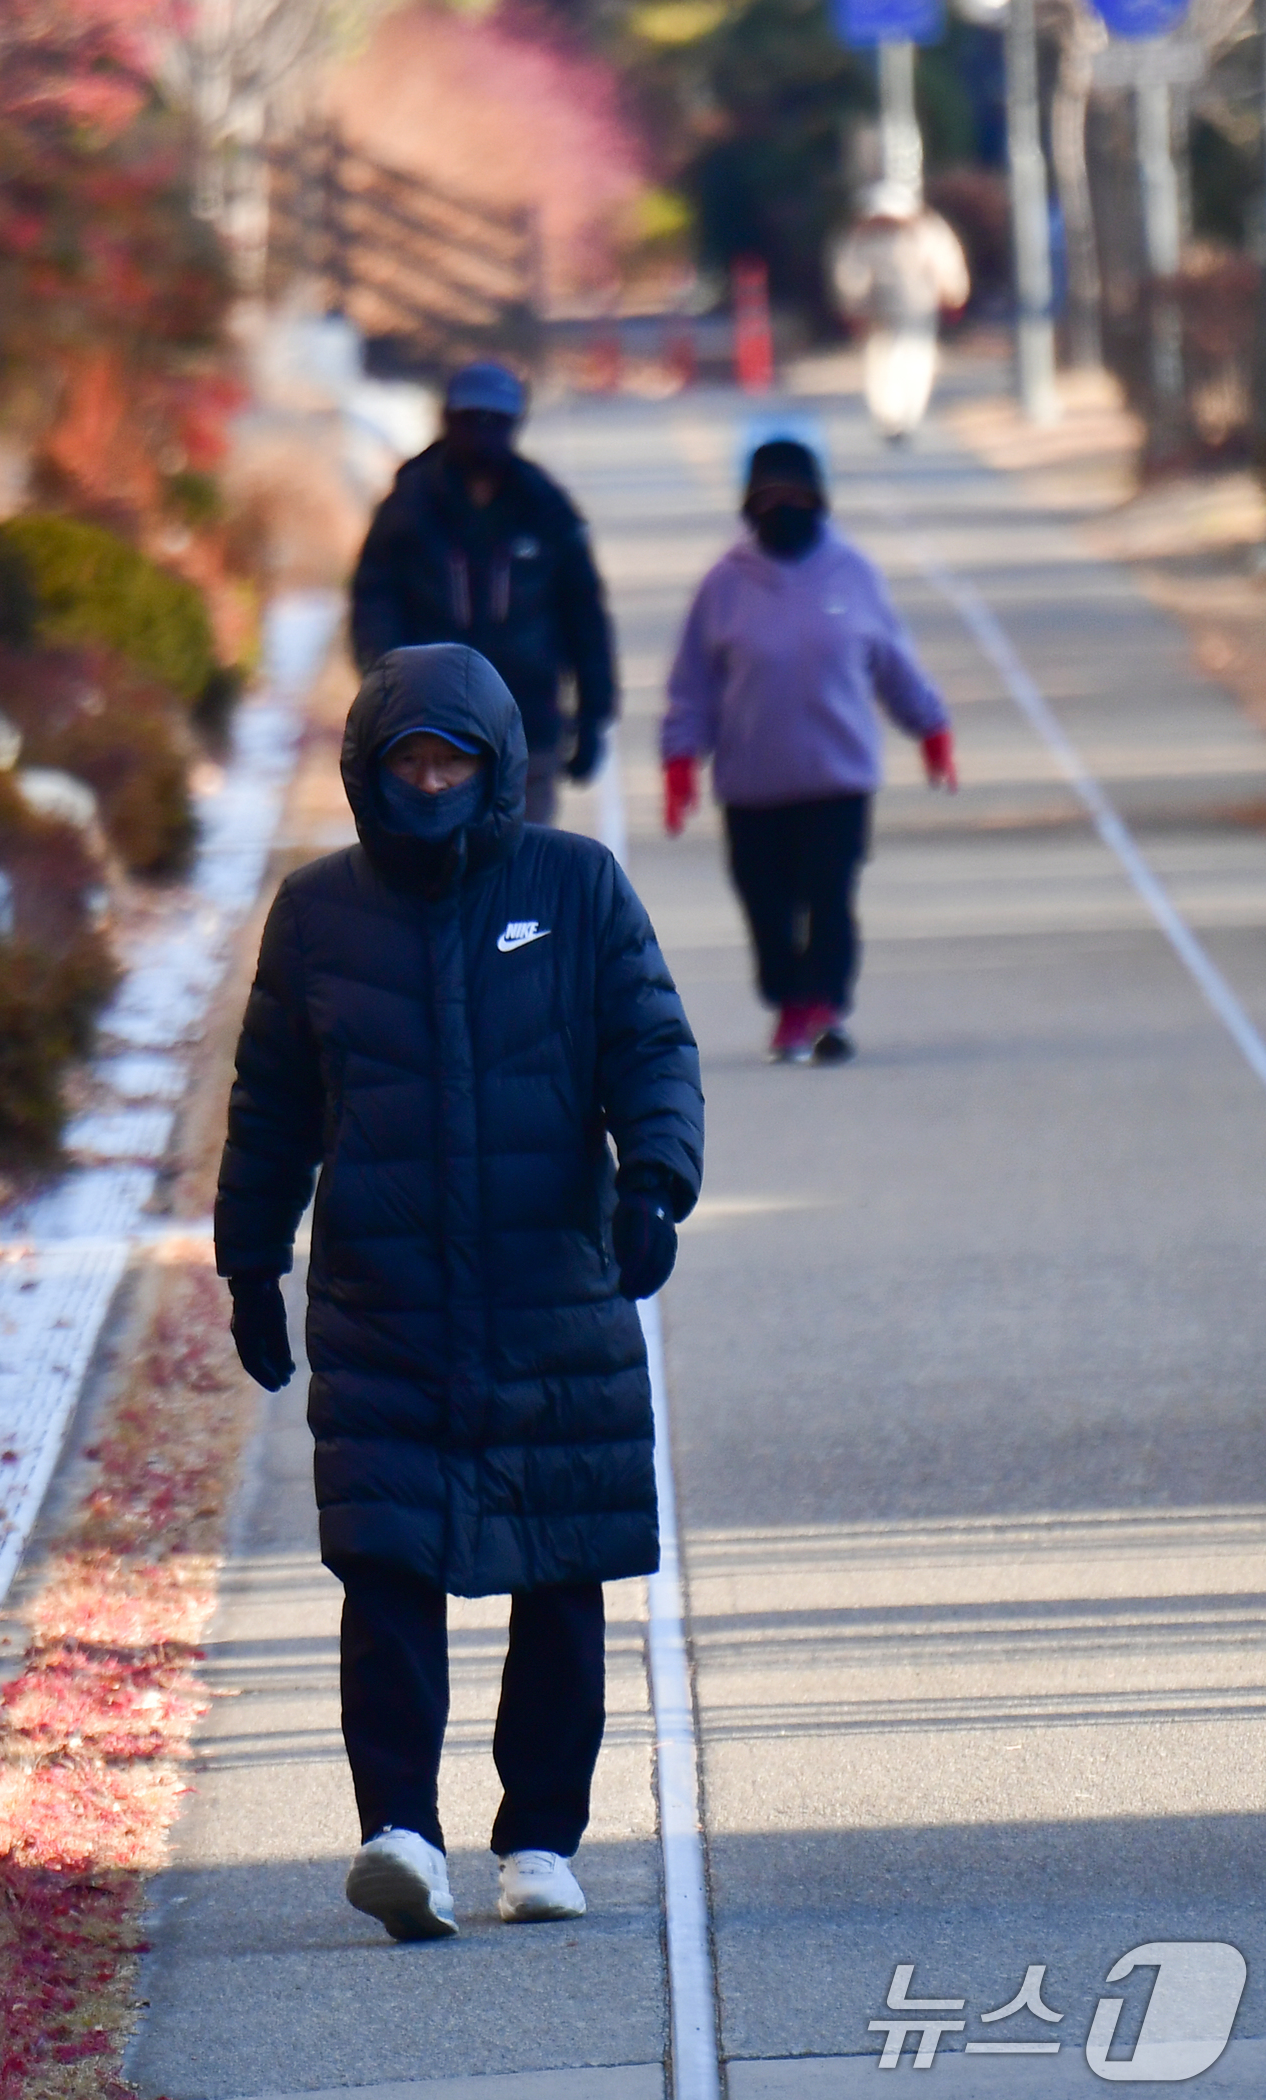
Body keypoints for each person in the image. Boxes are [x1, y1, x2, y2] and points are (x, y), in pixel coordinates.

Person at [216, 642, 703, 1943]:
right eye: (405, 762)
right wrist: (251, 1260)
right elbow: (271, 1105)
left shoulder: (577, 887)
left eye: (452, 760)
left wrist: (654, 1183)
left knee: (562, 1570)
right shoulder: (318, 913)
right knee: (386, 1572)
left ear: (495, 771)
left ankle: (540, 1837)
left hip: (555, 1292)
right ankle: (400, 1835)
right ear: (368, 773)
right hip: (385, 1301)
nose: (428, 782)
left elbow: (650, 1044)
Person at [659, 438, 956, 1065]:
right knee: (765, 903)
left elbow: (893, 663)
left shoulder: (853, 572)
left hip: (837, 778)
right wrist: (681, 761)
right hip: (751, 784)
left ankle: (824, 1008)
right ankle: (786, 1002)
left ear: (819, 502)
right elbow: (692, 684)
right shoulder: (723, 585)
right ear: (749, 507)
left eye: (796, 497)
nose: (784, 509)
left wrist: (930, 729)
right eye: (770, 499)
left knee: (830, 893)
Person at [350, 361, 617, 825]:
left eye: (496, 422)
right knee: (441, 872)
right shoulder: (410, 508)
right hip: (430, 729)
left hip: (527, 721)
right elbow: (374, 598)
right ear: (449, 421)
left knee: (522, 866)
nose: (482, 434)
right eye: (470, 419)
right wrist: (387, 685)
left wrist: (593, 715)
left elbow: (583, 613)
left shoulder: (544, 508)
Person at [830, 183, 969, 444]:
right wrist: (852, 303)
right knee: (882, 362)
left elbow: (943, 260)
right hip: (880, 309)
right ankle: (890, 417)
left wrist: (953, 291)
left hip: (915, 305)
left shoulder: (924, 230)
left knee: (913, 358)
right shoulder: (862, 234)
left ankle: (905, 416)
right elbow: (850, 271)